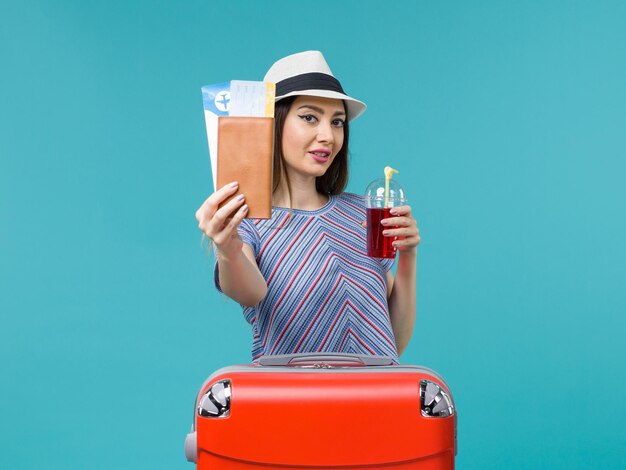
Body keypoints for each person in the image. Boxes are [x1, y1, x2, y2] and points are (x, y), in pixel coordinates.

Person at [196, 51, 420, 363]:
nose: (328, 136)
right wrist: (227, 247)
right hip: (294, 405)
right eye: (309, 117)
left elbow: (391, 342)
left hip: (376, 401)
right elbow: (250, 293)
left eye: (337, 122)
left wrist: (407, 257)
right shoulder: (247, 223)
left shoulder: (361, 213)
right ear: (272, 124)